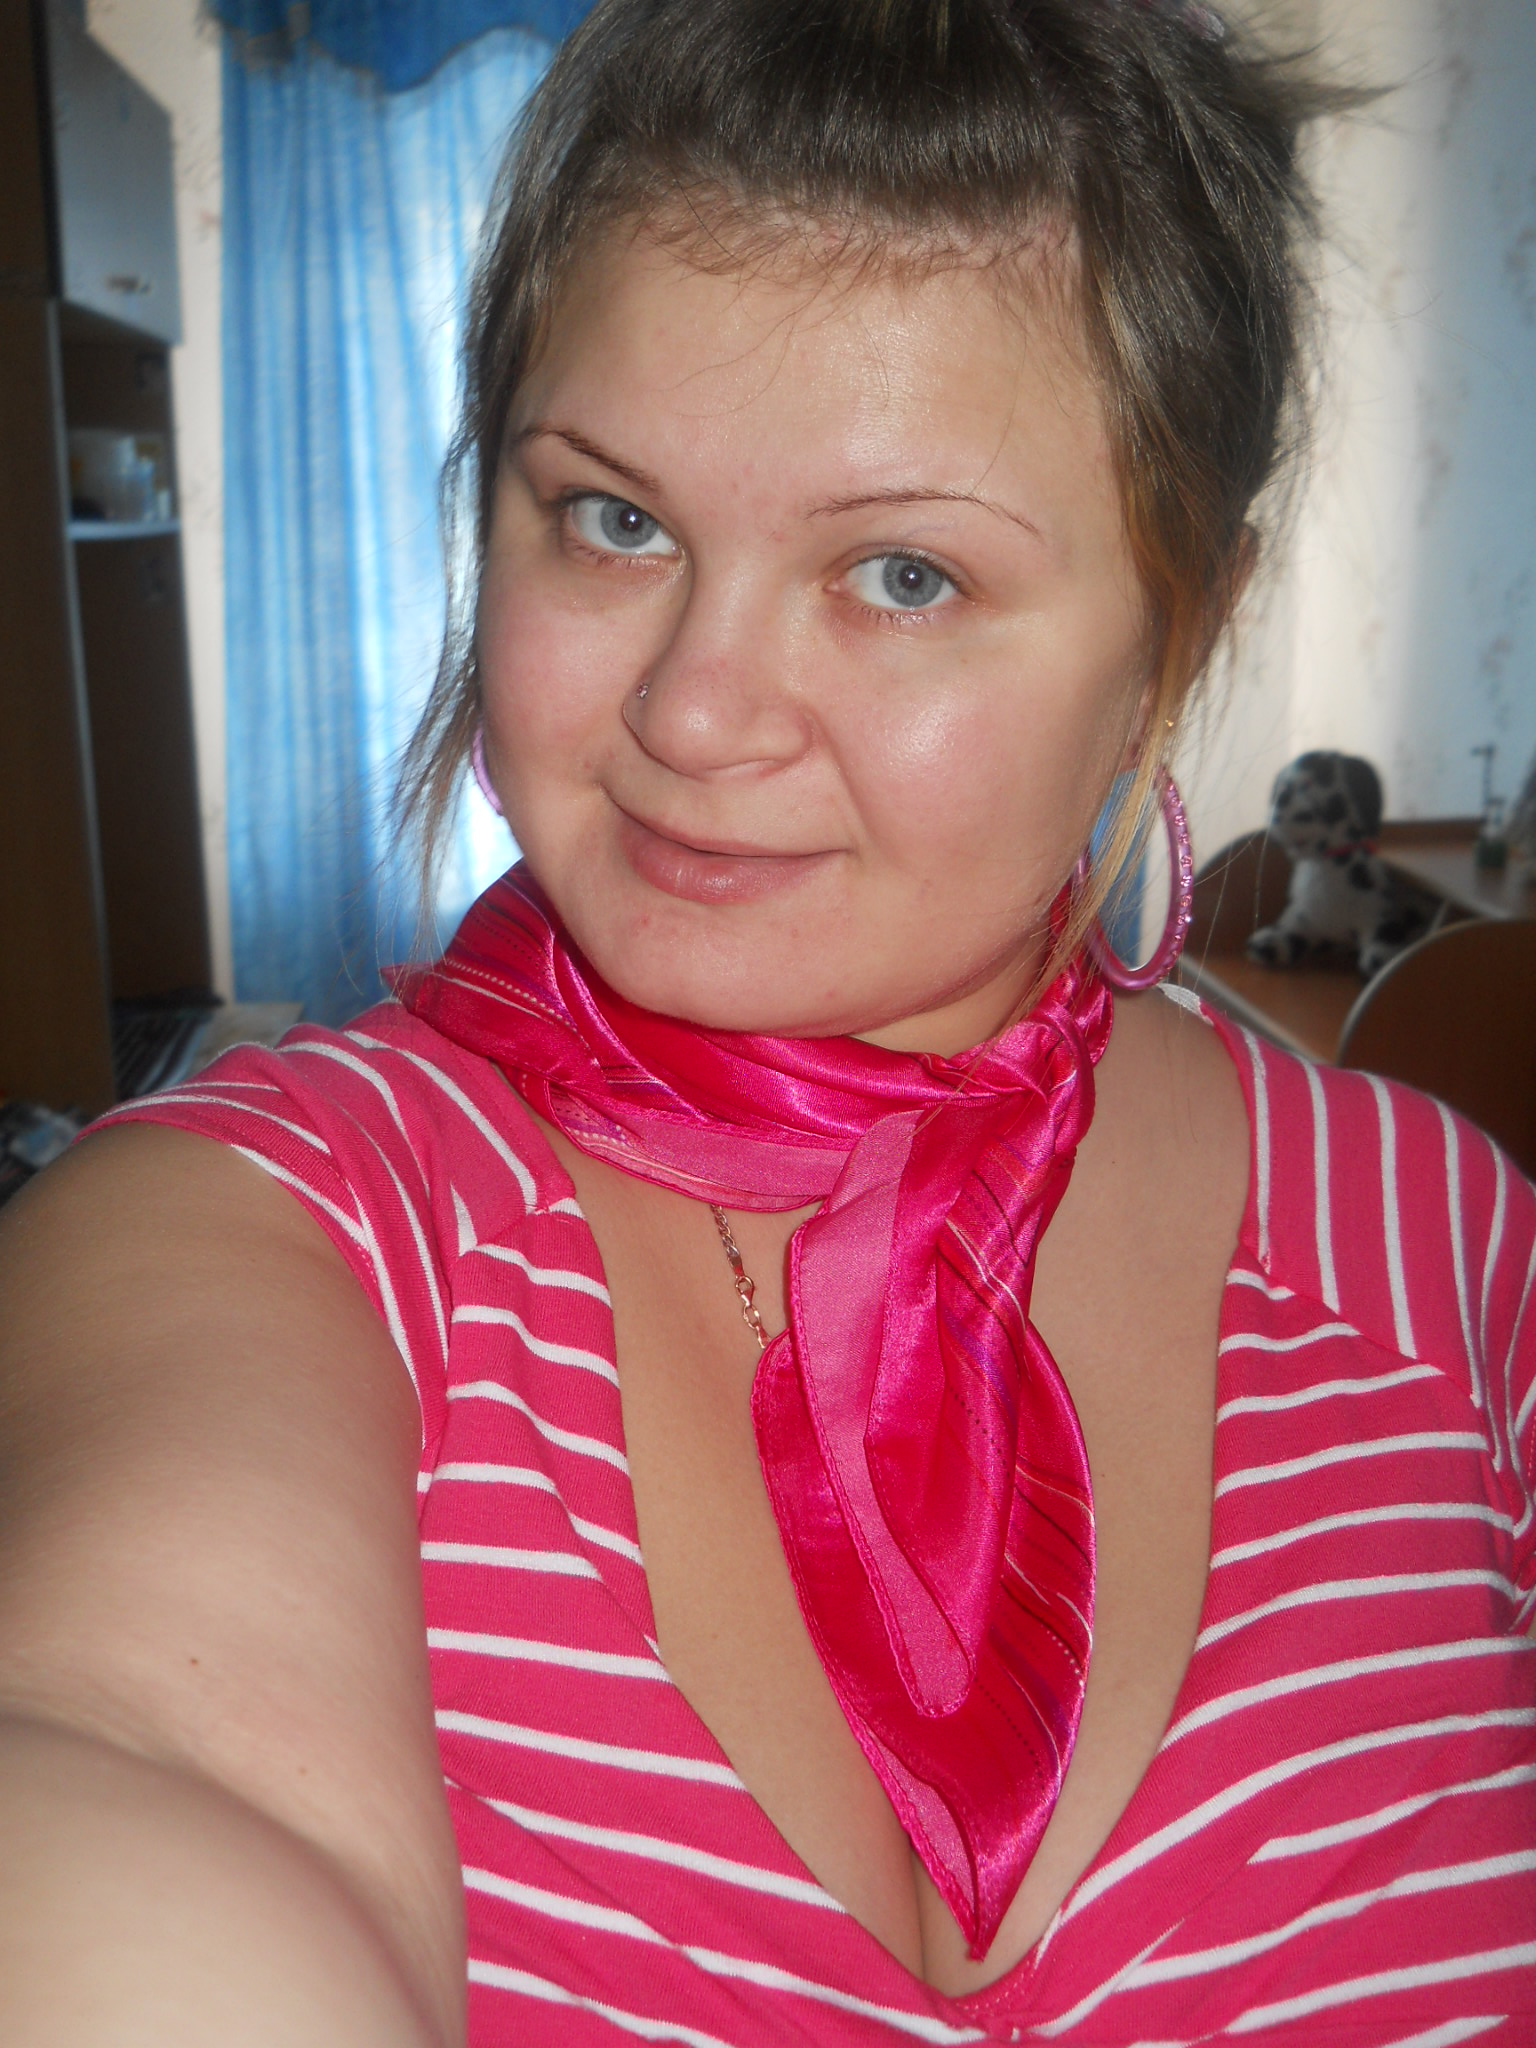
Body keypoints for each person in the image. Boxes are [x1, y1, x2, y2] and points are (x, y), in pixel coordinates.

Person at [1, 0, 1532, 2041]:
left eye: (902, 574)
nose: (694, 711)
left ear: (1185, 630)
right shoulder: (259, 1229)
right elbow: (135, 1754)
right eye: (614, 519)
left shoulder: (1446, 1251)